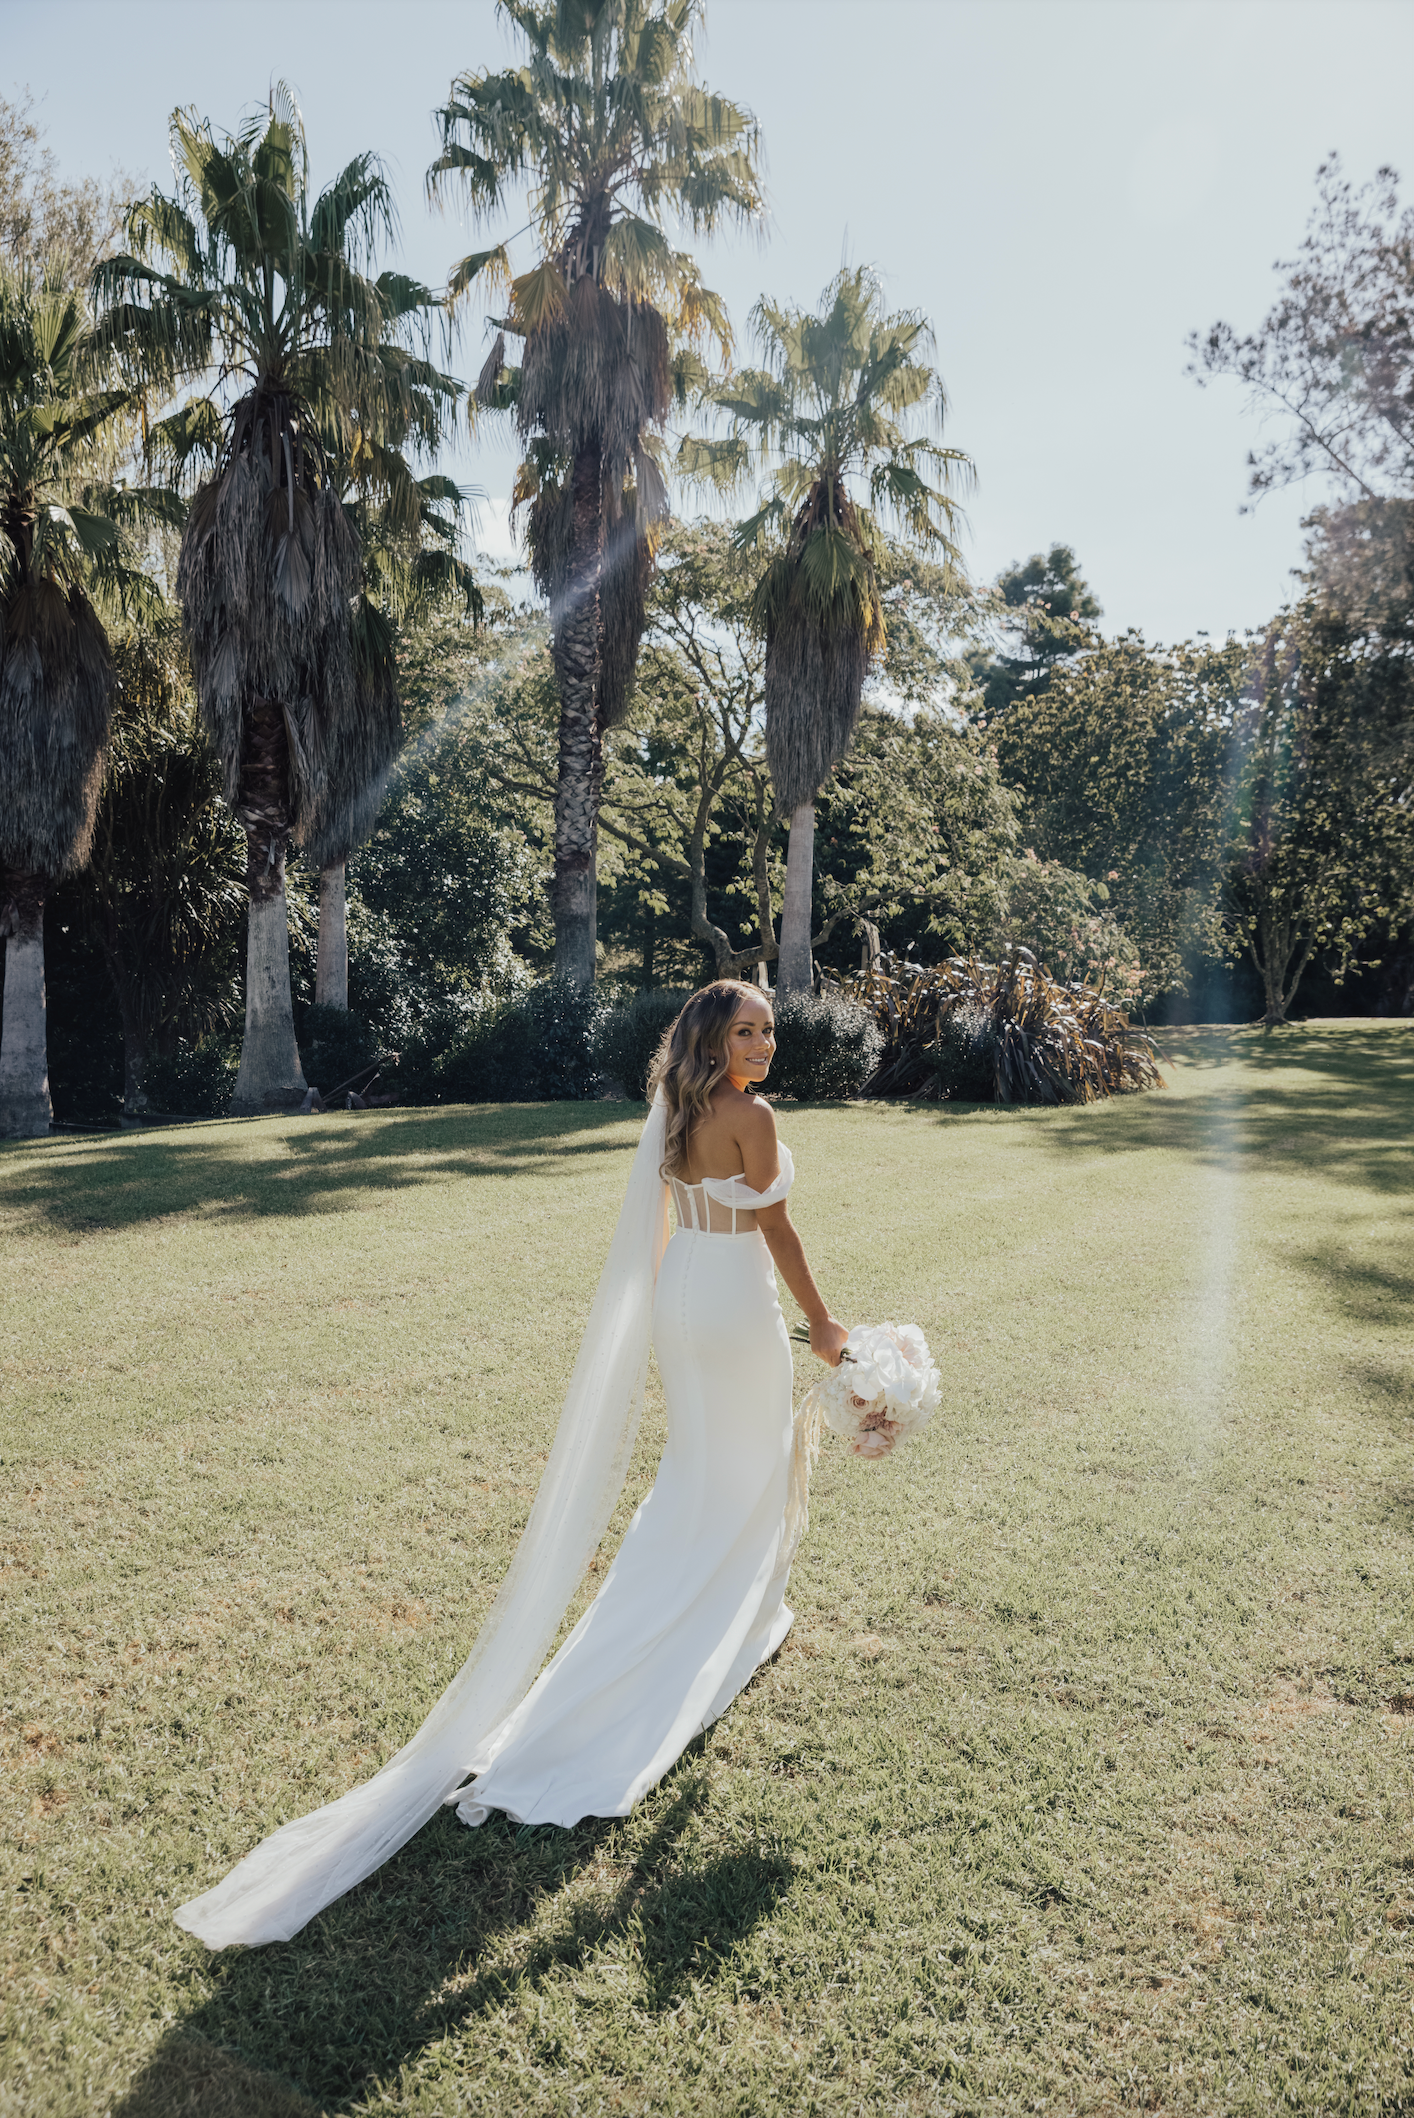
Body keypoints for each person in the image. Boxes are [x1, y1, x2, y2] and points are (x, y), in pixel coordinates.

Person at [174, 980, 847, 1948]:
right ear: (712, 1036)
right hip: (737, 1302)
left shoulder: (674, 1106)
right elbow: (777, 1229)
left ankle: (711, 1607)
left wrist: (672, 1296)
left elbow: (662, 1219)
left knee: (700, 1468)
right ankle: (712, 1620)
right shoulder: (753, 1115)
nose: (765, 1045)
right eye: (748, 1031)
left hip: (682, 1297)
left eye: (769, 1032)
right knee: (746, 1466)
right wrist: (822, 1322)